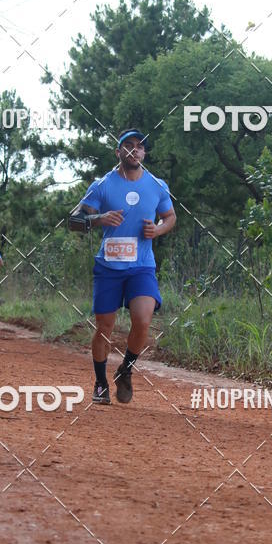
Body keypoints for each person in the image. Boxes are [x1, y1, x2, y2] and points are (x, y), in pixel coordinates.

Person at [68, 129, 176, 405]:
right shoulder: (102, 185)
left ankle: (125, 370)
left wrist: (158, 230)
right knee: (104, 326)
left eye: (139, 146)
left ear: (144, 153)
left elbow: (170, 217)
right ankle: (100, 382)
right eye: (128, 146)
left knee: (143, 320)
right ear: (118, 152)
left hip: (141, 267)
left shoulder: (157, 185)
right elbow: (73, 221)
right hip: (109, 268)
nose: (134, 150)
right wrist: (99, 218)